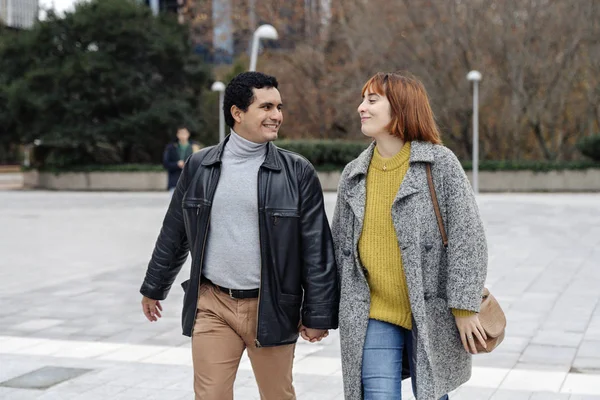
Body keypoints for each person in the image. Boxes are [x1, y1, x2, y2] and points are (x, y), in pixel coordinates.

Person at [140, 71, 339, 400]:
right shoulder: (199, 166)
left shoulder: (297, 172)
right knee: (210, 395)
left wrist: (317, 314)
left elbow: (316, 248)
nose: (277, 115)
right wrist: (154, 287)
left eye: (278, 107)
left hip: (272, 306)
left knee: (277, 395)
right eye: (266, 107)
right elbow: (175, 231)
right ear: (237, 112)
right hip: (213, 304)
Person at [331, 72, 488, 400]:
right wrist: (318, 310)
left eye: (372, 100)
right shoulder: (354, 174)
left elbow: (467, 237)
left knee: (431, 395)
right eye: (363, 100)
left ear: (400, 108)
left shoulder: (439, 165)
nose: (362, 107)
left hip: (431, 312)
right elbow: (338, 247)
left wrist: (464, 306)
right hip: (373, 312)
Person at [162, 126, 201, 191]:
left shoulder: (195, 147)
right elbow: (165, 163)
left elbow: (199, 163)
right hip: (174, 182)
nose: (183, 135)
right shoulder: (170, 147)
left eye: (185, 133)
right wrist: (176, 164)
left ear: (188, 134)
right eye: (181, 133)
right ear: (177, 134)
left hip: (191, 182)